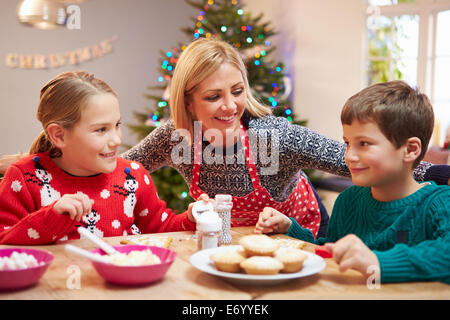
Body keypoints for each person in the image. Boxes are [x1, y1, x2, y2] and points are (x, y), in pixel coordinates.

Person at [1, 39, 449, 237]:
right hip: (225, 245)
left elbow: (347, 160)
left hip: (296, 243)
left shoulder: (273, 136)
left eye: (237, 92)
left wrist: (440, 173)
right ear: (189, 103)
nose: (230, 106)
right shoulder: (176, 139)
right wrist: (35, 159)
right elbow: (116, 167)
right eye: (213, 96)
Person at [255, 80, 450, 284]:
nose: (349, 156)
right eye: (348, 143)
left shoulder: (440, 203)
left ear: (410, 150)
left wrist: (377, 262)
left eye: (364, 144)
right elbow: (331, 251)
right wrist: (289, 229)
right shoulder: (348, 201)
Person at [0, 71, 203, 245]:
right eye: (101, 130)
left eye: (117, 125)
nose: (116, 140)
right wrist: (51, 217)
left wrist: (192, 217)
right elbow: (4, 242)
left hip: (120, 288)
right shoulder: (24, 178)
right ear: (59, 135)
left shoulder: (133, 176)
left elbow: (163, 229)